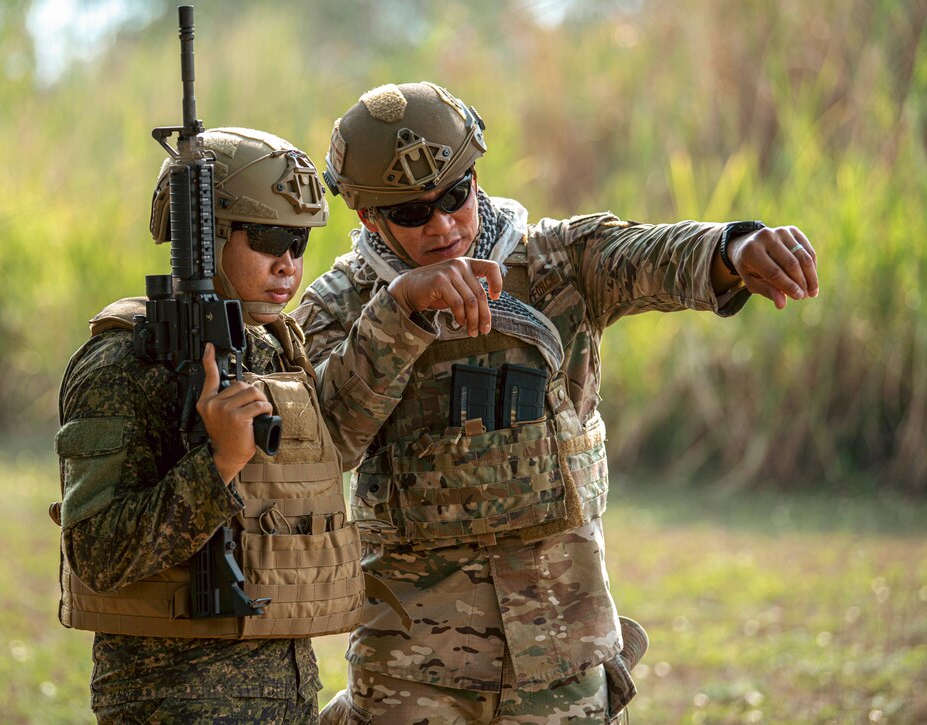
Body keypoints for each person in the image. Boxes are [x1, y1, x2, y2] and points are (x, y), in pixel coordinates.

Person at [292, 82, 820, 724]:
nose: (443, 225)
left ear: (476, 178)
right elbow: (323, 446)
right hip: (410, 664)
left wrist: (733, 249)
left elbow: (648, 255)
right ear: (369, 218)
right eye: (411, 213)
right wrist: (400, 314)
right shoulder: (339, 307)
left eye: (455, 196)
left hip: (560, 646)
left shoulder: (554, 264)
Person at [51, 127, 365, 724]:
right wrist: (217, 463)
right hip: (173, 699)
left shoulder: (270, 349)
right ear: (211, 235)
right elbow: (96, 554)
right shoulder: (124, 363)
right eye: (270, 238)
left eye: (298, 242)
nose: (288, 265)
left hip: (284, 692)